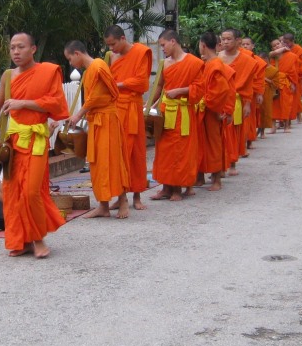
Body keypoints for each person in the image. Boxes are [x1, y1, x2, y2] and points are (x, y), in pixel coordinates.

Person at [0, 32, 69, 258]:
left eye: (21, 47)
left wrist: (24, 103)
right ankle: (22, 240)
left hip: (35, 140)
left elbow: (56, 104)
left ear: (33, 49)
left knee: (32, 191)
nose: (16, 52)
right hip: (13, 143)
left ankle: (38, 239)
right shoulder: (8, 75)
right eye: (12, 48)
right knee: (14, 192)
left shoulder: (47, 72)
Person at [63, 40, 130, 218]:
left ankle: (123, 201)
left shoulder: (98, 66)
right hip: (97, 121)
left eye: (70, 59)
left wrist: (78, 115)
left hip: (107, 120)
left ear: (77, 53)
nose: (70, 63)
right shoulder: (89, 71)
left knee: (113, 160)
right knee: (97, 163)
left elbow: (97, 97)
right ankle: (103, 205)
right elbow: (92, 101)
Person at [150, 29, 205, 201]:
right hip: (166, 111)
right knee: (164, 150)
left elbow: (200, 88)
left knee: (181, 151)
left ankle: (178, 188)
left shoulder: (194, 62)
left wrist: (179, 91)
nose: (163, 49)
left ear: (173, 41)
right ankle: (166, 187)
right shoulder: (164, 63)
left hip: (183, 111)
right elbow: (159, 86)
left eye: (163, 45)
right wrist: (149, 104)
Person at [103, 24, 152, 211]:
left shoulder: (141, 52)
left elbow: (142, 83)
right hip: (115, 109)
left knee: (135, 154)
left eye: (113, 44)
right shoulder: (111, 57)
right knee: (117, 154)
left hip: (132, 108)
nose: (111, 48)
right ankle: (119, 195)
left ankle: (137, 196)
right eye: (108, 45)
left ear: (123, 38)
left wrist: (118, 84)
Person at [197, 32, 234, 191]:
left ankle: (217, 179)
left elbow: (221, 90)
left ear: (203, 45)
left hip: (211, 111)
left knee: (214, 145)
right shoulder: (207, 64)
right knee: (201, 145)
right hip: (204, 110)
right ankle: (200, 177)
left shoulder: (216, 65)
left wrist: (210, 105)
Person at [219, 28, 257, 176]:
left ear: (237, 41)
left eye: (229, 39)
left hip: (236, 100)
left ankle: (232, 163)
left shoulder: (246, 60)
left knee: (233, 132)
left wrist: (247, 103)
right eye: (223, 39)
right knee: (220, 133)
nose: (225, 42)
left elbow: (248, 84)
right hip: (221, 100)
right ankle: (221, 165)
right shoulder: (218, 58)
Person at [241, 37, 266, 150]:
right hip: (238, 92)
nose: (245, 46)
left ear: (253, 46)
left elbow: (260, 78)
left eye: (247, 44)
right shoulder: (237, 57)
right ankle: (241, 143)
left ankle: (249, 140)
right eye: (243, 44)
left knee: (249, 118)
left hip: (251, 92)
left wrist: (260, 93)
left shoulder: (258, 61)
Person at [273, 38, 299, 133]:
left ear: (282, 43)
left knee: (286, 105)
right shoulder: (272, 57)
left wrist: (293, 83)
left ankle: (286, 126)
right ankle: (273, 127)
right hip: (274, 84)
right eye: (274, 45)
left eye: (278, 44)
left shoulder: (291, 56)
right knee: (274, 106)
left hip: (285, 83)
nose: (276, 46)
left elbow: (293, 72)